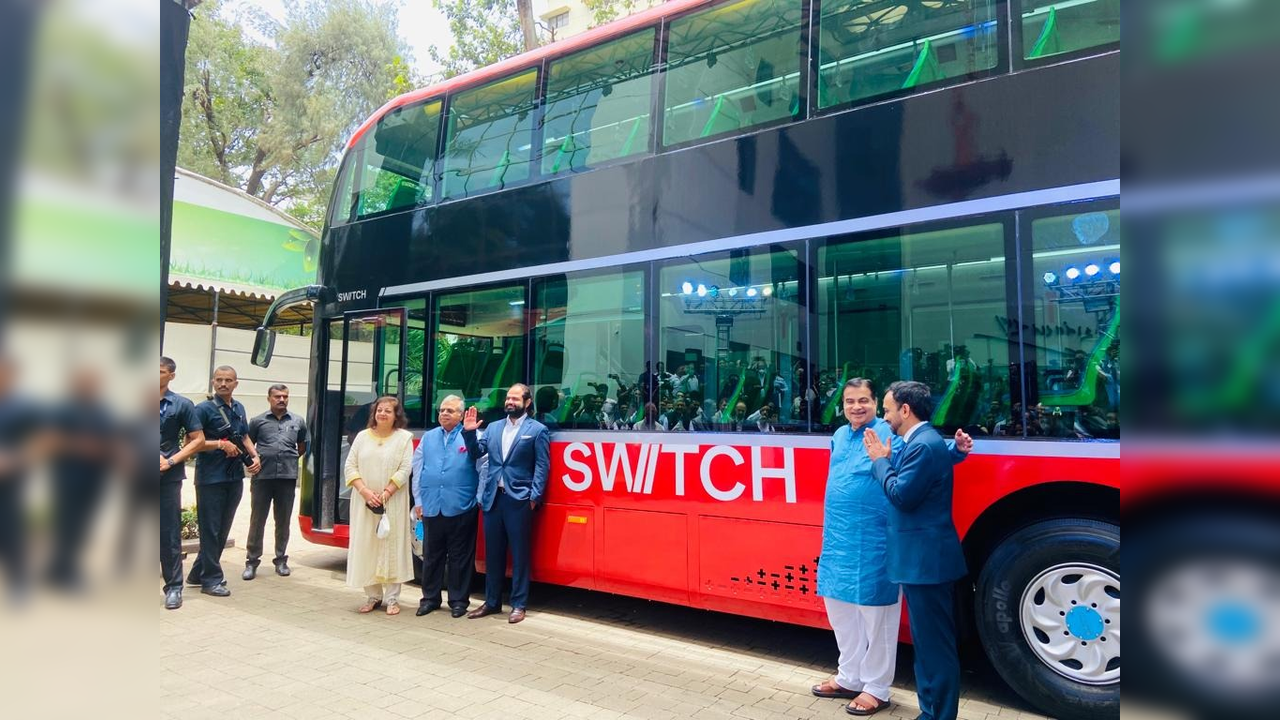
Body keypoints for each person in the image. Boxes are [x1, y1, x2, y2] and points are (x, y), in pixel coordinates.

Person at [813, 379, 971, 716]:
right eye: (850, 401)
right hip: (839, 539)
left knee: (876, 617)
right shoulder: (839, 436)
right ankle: (849, 676)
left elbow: (926, 462)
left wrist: (955, 452)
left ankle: (876, 687)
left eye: (866, 401)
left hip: (875, 540)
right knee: (841, 612)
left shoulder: (891, 434)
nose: (857, 407)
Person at [864, 381, 969, 720]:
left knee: (934, 647)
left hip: (926, 564)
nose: (884, 415)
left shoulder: (922, 444)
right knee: (927, 644)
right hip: (924, 562)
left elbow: (902, 495)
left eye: (888, 409)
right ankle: (931, 712)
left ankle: (938, 715)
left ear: (905, 410)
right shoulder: (923, 441)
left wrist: (881, 462)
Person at [467, 384, 550, 624]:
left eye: (515, 398)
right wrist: (470, 433)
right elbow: (476, 453)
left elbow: (542, 466)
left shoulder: (537, 430)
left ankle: (519, 604)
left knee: (520, 554)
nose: (510, 401)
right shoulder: (493, 427)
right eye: (508, 397)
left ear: (527, 402)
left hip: (519, 500)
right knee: (493, 554)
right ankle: (492, 602)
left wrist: (533, 497)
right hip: (493, 498)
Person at [190, 366, 260, 597]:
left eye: (228, 380)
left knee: (222, 529)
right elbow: (190, 442)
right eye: (219, 380)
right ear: (212, 382)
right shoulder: (202, 409)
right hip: (210, 478)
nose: (223, 384)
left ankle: (197, 573)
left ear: (235, 384)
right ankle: (211, 580)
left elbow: (245, 436)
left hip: (234, 476)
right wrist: (219, 444)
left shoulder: (239, 408)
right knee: (210, 530)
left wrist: (254, 455)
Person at [410, 395, 482, 618]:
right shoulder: (429, 437)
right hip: (432, 506)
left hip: (462, 505)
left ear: (461, 415)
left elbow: (484, 469)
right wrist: (418, 501)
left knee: (460, 557)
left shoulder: (473, 436)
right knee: (431, 555)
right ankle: (429, 599)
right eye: (442, 410)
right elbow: (418, 469)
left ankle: (459, 601)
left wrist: (478, 500)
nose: (444, 414)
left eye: (450, 410)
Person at [343, 395, 415, 615]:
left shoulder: (404, 438)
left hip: (392, 501)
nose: (382, 414)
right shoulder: (363, 437)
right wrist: (365, 492)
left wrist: (386, 493)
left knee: (392, 545)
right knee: (367, 545)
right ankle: (373, 596)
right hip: (364, 502)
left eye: (388, 411)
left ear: (396, 416)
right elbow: (350, 466)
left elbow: (405, 469)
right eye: (379, 410)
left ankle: (393, 599)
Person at [46, 368, 114, 592]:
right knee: (67, 524)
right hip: (68, 476)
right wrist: (80, 446)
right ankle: (64, 569)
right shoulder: (62, 410)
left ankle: (61, 567)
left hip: (95, 478)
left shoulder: (101, 410)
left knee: (84, 525)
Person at [243, 384, 308, 580]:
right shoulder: (257, 421)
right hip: (262, 477)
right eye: (277, 396)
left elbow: (302, 446)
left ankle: (281, 560)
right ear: (269, 398)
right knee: (257, 520)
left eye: (285, 396)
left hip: (287, 478)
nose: (281, 400)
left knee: (283, 521)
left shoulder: (298, 421)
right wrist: (254, 461)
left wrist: (289, 458)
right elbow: (248, 445)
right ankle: (251, 562)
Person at [159, 357, 205, 609]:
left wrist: (171, 460)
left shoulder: (182, 404)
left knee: (168, 533)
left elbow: (198, 439)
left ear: (171, 376)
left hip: (168, 476)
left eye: (160, 371)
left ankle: (174, 587)